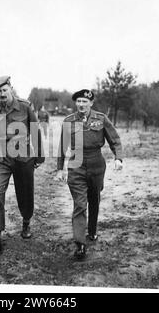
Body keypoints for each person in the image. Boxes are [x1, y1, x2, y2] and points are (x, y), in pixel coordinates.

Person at [54, 89, 123, 260]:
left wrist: (118, 158)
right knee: (79, 204)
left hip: (96, 164)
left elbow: (114, 138)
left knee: (94, 199)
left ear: (91, 103)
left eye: (85, 102)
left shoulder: (101, 119)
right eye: (79, 101)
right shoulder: (69, 121)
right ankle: (80, 243)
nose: (81, 105)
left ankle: (92, 231)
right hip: (76, 164)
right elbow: (62, 146)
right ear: (75, 103)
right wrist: (59, 168)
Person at [0, 76, 45, 255]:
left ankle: (26, 222)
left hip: (22, 157)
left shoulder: (25, 107)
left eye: (5, 90)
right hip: (1, 157)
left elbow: (35, 130)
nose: (2, 94)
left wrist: (39, 156)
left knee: (25, 192)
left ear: (11, 89)